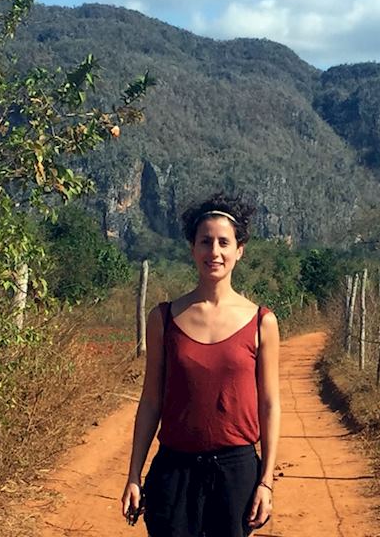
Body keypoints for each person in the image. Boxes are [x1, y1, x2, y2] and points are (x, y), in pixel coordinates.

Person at [120, 194, 281, 536]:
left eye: (225, 242)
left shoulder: (261, 322)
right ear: (192, 248)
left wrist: (265, 482)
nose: (215, 252)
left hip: (236, 474)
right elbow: (150, 401)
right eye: (205, 241)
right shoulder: (163, 318)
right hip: (173, 470)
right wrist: (134, 475)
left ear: (240, 250)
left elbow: (269, 405)